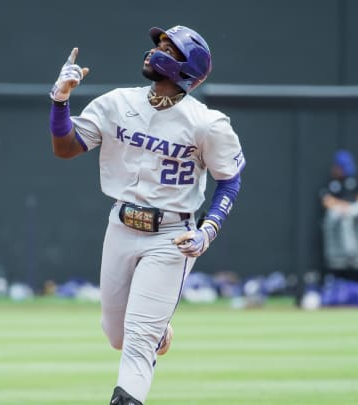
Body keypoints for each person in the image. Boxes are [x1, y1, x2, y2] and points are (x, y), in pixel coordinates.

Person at [47, 25, 245, 404]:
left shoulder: (207, 123)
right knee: (116, 335)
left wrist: (208, 231)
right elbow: (67, 148)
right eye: (158, 45)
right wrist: (60, 101)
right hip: (120, 226)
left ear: (187, 67)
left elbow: (230, 182)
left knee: (136, 343)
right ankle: (161, 332)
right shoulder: (117, 103)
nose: (155, 51)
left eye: (169, 49)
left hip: (172, 237)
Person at [320, 150, 358, 262]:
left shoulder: (353, 178)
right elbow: (326, 201)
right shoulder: (331, 181)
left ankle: (350, 211)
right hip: (339, 213)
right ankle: (350, 253)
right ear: (337, 167)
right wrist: (343, 205)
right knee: (342, 215)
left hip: (353, 211)